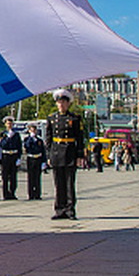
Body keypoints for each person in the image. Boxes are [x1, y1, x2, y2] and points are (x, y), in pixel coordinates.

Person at [46, 89, 83, 219]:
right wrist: (49, 156)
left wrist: (80, 156)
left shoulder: (74, 118)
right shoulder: (52, 118)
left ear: (68, 104)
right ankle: (59, 209)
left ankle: (70, 209)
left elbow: (80, 138)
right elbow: (49, 139)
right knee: (58, 183)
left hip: (69, 152)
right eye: (59, 102)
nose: (61, 105)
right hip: (56, 152)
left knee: (69, 183)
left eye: (64, 102)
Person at [0, 116, 21, 199]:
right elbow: (2, 146)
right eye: (8, 123)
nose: (9, 125)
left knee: (13, 176)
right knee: (5, 176)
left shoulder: (16, 134)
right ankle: (5, 194)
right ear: (5, 124)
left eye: (11, 123)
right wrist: (6, 138)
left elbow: (19, 147)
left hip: (14, 156)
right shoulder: (3, 134)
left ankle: (12, 193)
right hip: (5, 156)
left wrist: (18, 157)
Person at [22, 123, 45, 200]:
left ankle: (37, 194)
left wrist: (43, 162)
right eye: (31, 130)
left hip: (38, 158)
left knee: (37, 177)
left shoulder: (39, 140)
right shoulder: (27, 139)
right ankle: (31, 194)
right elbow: (27, 147)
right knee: (31, 177)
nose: (33, 132)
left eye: (34, 130)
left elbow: (43, 151)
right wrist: (30, 138)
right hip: (31, 158)